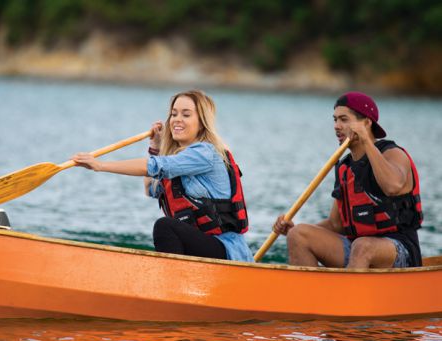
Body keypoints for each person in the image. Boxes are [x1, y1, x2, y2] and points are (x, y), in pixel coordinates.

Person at [71, 90, 253, 262]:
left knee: (165, 226)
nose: (177, 120)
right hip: (203, 247)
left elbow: (153, 167)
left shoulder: (205, 153)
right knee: (167, 227)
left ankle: (172, 287)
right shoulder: (180, 159)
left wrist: (100, 165)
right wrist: (155, 147)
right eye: (174, 114)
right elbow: (150, 188)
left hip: (227, 251)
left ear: (201, 123)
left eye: (186, 115)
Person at [273, 91, 423, 268]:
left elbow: (392, 186)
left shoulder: (393, 154)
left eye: (344, 120)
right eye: (335, 120)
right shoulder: (345, 168)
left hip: (399, 249)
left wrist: (367, 141)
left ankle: (350, 294)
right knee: (299, 235)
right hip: (357, 250)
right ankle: (311, 295)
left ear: (366, 123)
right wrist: (293, 228)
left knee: (362, 246)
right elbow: (335, 224)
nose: (337, 126)